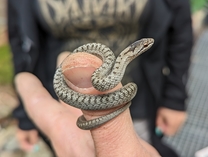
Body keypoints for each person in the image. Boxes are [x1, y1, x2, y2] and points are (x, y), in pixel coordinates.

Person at [8, 0, 193, 156]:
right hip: (60, 106)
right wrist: (25, 118)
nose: (147, 45)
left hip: (141, 104)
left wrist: (174, 98)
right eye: (144, 46)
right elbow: (20, 43)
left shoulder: (118, 65)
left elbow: (181, 29)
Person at [14, 52, 161, 156]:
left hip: (142, 109)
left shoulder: (112, 63)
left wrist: (174, 101)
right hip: (58, 80)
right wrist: (25, 120)